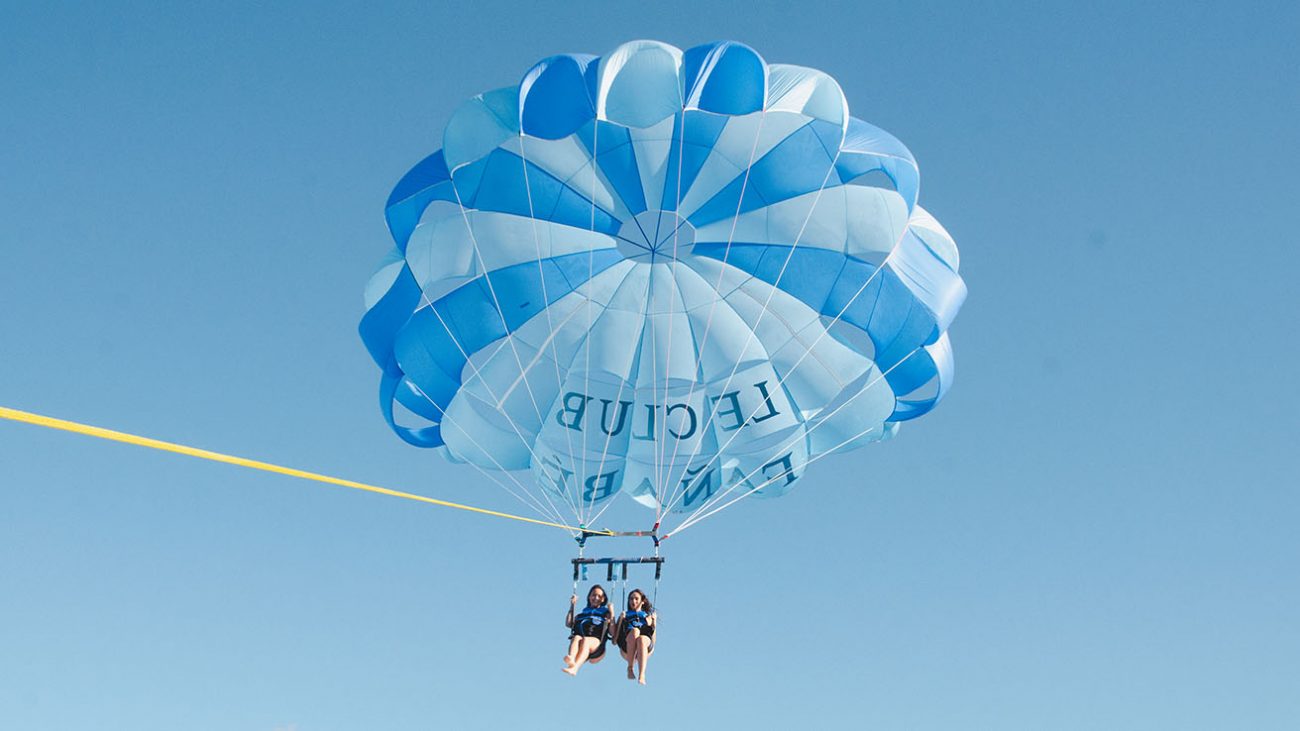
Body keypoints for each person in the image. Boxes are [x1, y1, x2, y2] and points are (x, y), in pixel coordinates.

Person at [562, 584, 611, 676]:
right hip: (581, 641)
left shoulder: (605, 614)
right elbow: (569, 624)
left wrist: (611, 615)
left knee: (585, 640)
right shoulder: (583, 614)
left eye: (599, 596)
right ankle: (571, 659)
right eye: (593, 595)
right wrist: (572, 605)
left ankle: (575, 668)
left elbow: (612, 632)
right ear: (589, 597)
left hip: (597, 645)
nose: (596, 598)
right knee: (576, 637)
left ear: (603, 599)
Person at [615, 588, 656, 685]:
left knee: (641, 638)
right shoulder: (625, 615)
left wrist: (654, 622)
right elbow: (615, 639)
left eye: (636, 599)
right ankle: (630, 668)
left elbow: (653, 639)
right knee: (634, 631)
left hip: (644, 642)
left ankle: (642, 674)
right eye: (631, 599)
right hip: (628, 644)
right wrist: (620, 620)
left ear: (642, 601)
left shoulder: (647, 616)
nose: (633, 601)